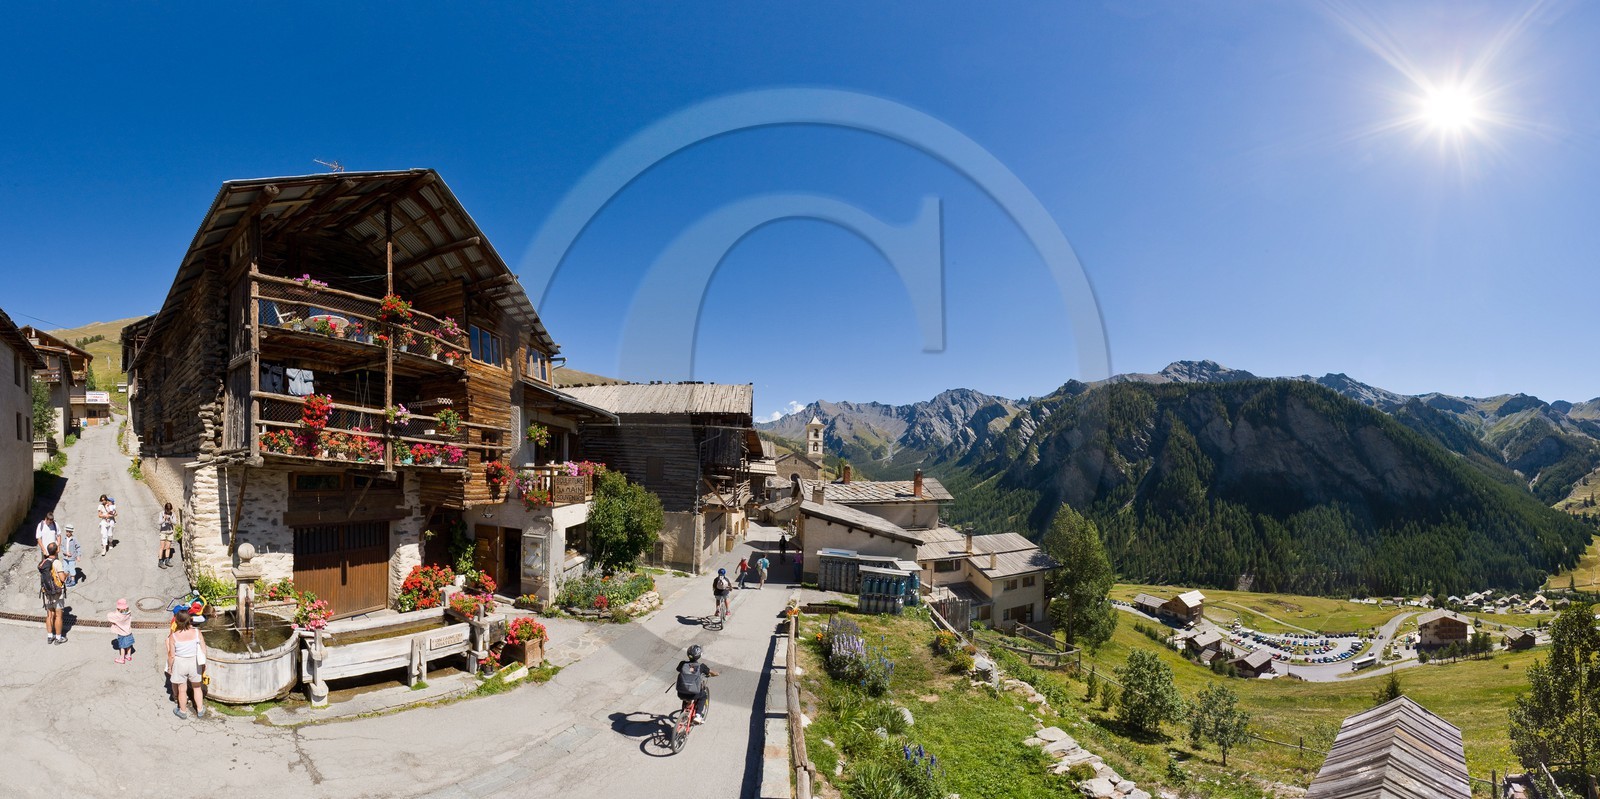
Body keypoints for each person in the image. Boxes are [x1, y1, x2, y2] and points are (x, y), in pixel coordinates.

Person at [167, 609, 207, 719]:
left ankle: (183, 711)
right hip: (194, 662)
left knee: (182, 689)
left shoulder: (173, 637)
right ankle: (200, 709)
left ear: (177, 621)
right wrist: (204, 663)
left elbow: (172, 655)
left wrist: (170, 667)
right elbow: (203, 649)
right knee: (197, 687)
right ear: (189, 620)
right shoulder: (196, 632)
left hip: (180, 663)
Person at [673, 644, 718, 724]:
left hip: (680, 693)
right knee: (703, 696)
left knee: (685, 694)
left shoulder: (682, 663)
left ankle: (683, 714)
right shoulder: (701, 666)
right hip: (694, 694)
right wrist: (716, 674)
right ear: (699, 655)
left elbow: (678, 669)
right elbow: (711, 672)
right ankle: (698, 715)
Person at [39, 543, 69, 644]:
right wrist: (66, 574)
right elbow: (62, 578)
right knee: (58, 616)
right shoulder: (57, 563)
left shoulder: (44, 562)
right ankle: (58, 637)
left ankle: (49, 636)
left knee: (49, 615)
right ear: (57, 551)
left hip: (47, 593)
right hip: (57, 593)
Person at [109, 598, 134, 664]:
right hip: (129, 632)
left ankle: (122, 658)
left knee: (122, 647)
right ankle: (128, 656)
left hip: (122, 634)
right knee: (129, 645)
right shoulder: (128, 613)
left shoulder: (118, 616)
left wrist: (116, 612)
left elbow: (109, 616)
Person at [157, 503, 177, 568]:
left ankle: (167, 561)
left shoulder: (173, 514)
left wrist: (170, 519)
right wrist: (164, 519)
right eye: (167, 510)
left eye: (169, 510)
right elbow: (159, 522)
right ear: (165, 509)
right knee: (162, 547)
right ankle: (160, 562)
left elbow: (175, 523)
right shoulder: (161, 513)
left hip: (170, 532)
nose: (168, 512)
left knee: (168, 547)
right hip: (163, 532)